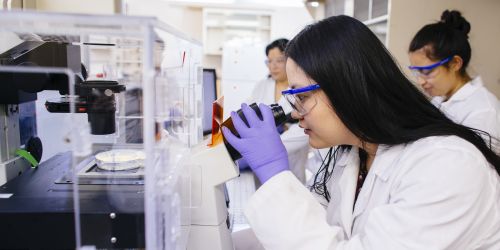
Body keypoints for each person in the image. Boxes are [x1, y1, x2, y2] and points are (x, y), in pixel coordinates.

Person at [222, 15, 500, 249]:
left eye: (301, 97)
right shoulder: (353, 155)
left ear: (347, 87)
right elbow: (318, 228)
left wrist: (274, 176)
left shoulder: (446, 166)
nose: (294, 113)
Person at [408, 10, 500, 147]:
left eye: (427, 71)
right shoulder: (439, 99)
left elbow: (476, 164)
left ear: (455, 63)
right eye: (416, 72)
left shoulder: (484, 111)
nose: (421, 81)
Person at [244, 38, 310, 183]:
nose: (273, 66)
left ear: (291, 60)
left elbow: (304, 131)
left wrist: (269, 143)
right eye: (269, 61)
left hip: (292, 168)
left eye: (279, 60)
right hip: (262, 168)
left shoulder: (300, 90)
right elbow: (249, 117)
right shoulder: (262, 85)